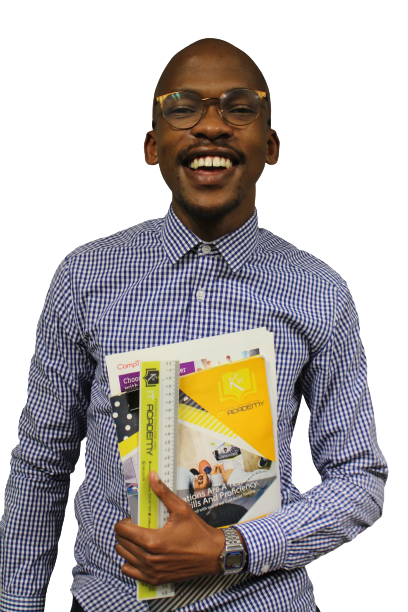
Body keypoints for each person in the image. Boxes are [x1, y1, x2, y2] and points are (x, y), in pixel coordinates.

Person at [0, 37, 388, 612]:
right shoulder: (84, 275)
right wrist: (18, 604)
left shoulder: (320, 291)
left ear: (270, 146)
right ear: (152, 146)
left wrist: (233, 548)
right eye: (182, 108)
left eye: (239, 107)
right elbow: (42, 461)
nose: (211, 126)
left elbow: (359, 478)